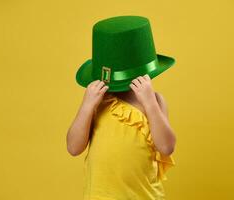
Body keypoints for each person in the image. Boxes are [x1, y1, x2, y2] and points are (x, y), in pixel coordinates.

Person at [67, 15, 177, 200]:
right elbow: (73, 147)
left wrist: (149, 103)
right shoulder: (98, 102)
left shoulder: (155, 101)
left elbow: (166, 147)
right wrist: (87, 106)